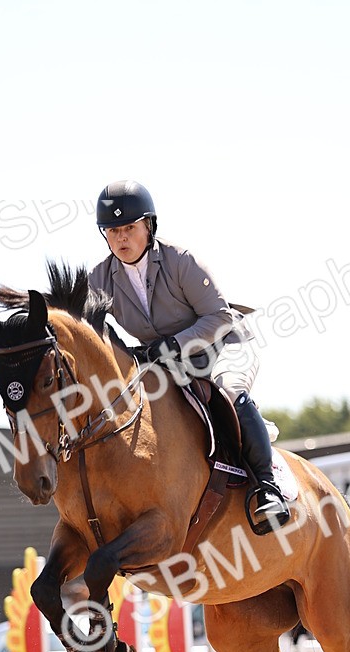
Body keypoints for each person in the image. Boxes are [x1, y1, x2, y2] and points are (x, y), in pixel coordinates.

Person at [88, 180, 290, 534]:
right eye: (113, 230)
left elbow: (221, 317)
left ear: (148, 226)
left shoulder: (180, 261)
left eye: (130, 228)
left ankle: (266, 488)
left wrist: (172, 345)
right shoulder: (101, 278)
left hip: (225, 346)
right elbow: (83, 326)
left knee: (229, 390)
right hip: (168, 362)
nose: (122, 238)